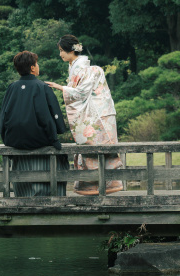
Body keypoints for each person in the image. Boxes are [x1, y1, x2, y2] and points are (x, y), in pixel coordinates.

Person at [45, 34, 123, 195]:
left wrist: (60, 87)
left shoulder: (84, 69)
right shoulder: (78, 67)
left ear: (70, 50)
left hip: (98, 114)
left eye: (62, 50)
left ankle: (104, 184)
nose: (60, 54)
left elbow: (80, 93)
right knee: (91, 148)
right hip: (95, 113)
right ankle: (94, 185)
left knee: (97, 146)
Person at [0, 50, 69, 196]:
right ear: (32, 68)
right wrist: (55, 137)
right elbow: (47, 115)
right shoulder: (41, 86)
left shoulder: (12, 87)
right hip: (38, 139)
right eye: (36, 64)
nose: (38, 66)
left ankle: (23, 196)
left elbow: (4, 115)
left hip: (14, 140)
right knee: (59, 155)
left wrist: (4, 136)